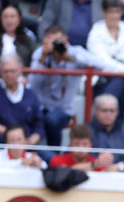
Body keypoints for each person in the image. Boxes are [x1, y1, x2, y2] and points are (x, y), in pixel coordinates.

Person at [28, 23, 112, 151]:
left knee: (51, 120)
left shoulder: (75, 52)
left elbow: (102, 64)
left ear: (66, 40)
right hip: (41, 107)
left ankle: (54, 156)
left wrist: (71, 58)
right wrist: (43, 60)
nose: (55, 47)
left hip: (64, 108)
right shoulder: (40, 53)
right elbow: (32, 84)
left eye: (58, 42)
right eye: (51, 43)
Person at [86, 0, 124, 111]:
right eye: (110, 12)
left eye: (117, 12)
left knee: (121, 82)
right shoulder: (96, 32)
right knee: (120, 99)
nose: (114, 16)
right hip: (102, 79)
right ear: (104, 12)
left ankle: (103, 112)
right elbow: (101, 60)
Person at [0, 54, 43, 147]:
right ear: (0, 72)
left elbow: (39, 125)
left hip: (28, 144)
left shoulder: (31, 94)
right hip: (1, 145)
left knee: (51, 159)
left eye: (12, 71)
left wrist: (31, 140)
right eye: (6, 71)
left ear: (20, 71)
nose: (9, 75)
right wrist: (14, 136)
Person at [50, 124, 123, 172]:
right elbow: (67, 172)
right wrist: (94, 165)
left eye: (85, 144)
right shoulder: (57, 160)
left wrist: (110, 164)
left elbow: (105, 173)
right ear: (71, 145)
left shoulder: (97, 163)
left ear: (91, 145)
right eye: (76, 144)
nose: (81, 148)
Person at [88, 94, 124, 170]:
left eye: (112, 111)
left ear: (117, 112)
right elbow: (75, 155)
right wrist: (96, 163)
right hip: (92, 174)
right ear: (96, 111)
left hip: (121, 177)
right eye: (104, 110)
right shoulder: (86, 131)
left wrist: (119, 167)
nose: (108, 114)